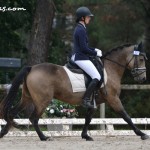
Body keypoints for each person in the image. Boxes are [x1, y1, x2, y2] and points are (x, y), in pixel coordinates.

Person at [71, 6, 102, 108]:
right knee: (97, 76)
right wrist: (95, 54)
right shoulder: (81, 30)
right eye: (88, 17)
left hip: (80, 55)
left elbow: (85, 46)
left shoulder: (81, 28)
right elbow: (84, 49)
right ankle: (86, 99)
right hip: (80, 57)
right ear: (82, 18)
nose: (90, 18)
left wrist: (94, 50)